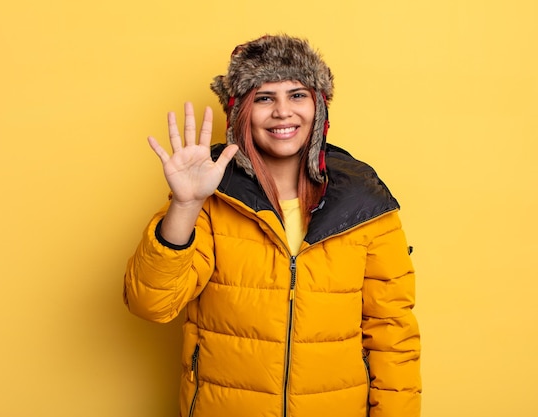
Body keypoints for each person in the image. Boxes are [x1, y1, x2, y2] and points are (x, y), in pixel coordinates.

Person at [124, 34, 421, 417]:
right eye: (264, 98)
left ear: (319, 106)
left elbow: (393, 334)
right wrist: (185, 203)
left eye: (297, 95)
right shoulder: (214, 197)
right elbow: (152, 304)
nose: (283, 112)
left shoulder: (365, 202)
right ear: (240, 111)